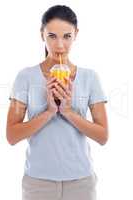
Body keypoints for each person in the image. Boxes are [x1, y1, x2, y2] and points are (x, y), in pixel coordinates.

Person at [6, 5, 109, 200]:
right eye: (52, 36)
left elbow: (103, 136)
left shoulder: (90, 78)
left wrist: (69, 112)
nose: (59, 45)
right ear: (41, 34)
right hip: (38, 183)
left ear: (76, 34)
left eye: (67, 36)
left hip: (81, 183)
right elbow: (12, 136)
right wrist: (49, 112)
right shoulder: (25, 77)